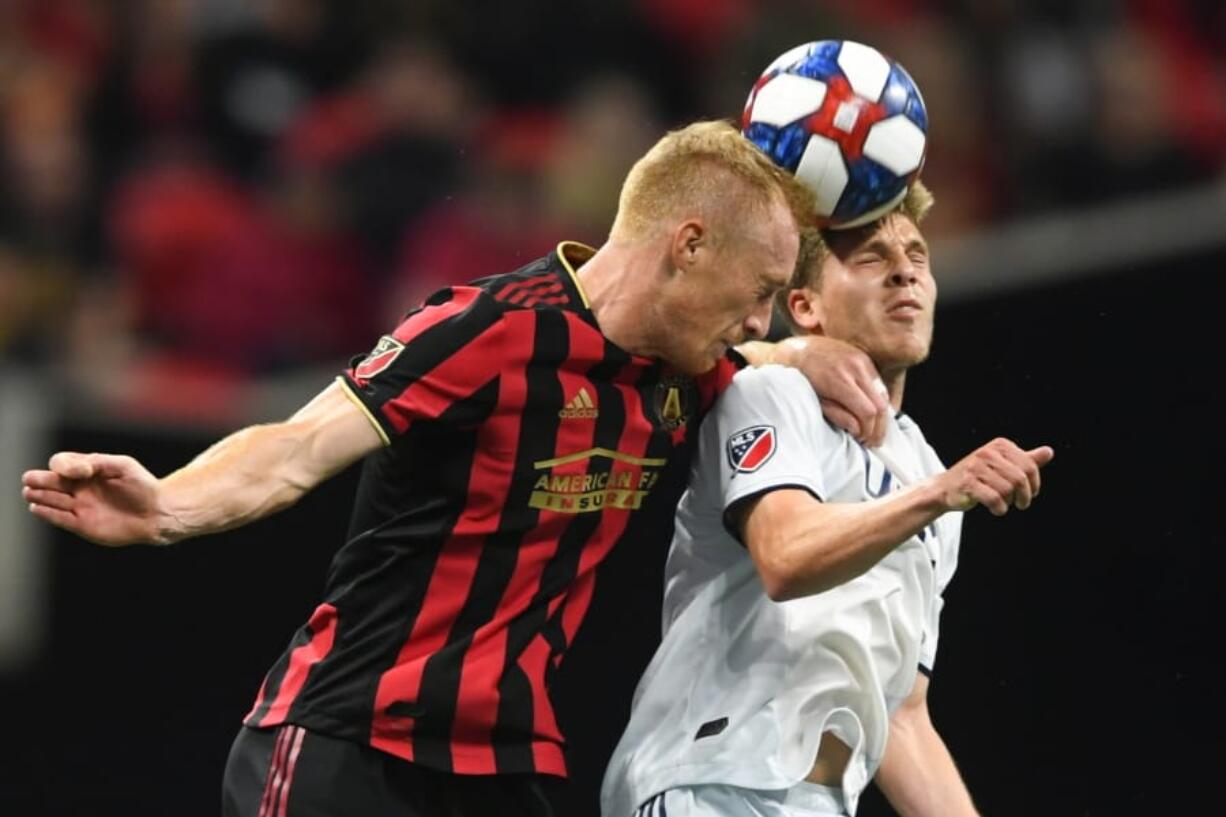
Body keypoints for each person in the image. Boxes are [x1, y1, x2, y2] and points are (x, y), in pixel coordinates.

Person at [20, 121, 895, 817]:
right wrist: (168, 504)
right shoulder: (486, 330)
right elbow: (297, 447)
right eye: (758, 290)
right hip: (347, 741)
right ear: (689, 244)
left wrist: (799, 358)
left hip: (498, 768)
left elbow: (757, 361)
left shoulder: (694, 374)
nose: (758, 320)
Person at [601, 181, 1055, 817]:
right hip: (709, 785)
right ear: (805, 306)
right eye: (872, 259)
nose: (905, 273)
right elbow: (786, 557)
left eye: (918, 258)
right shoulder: (770, 393)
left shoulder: (924, 469)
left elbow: (904, 717)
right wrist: (938, 495)